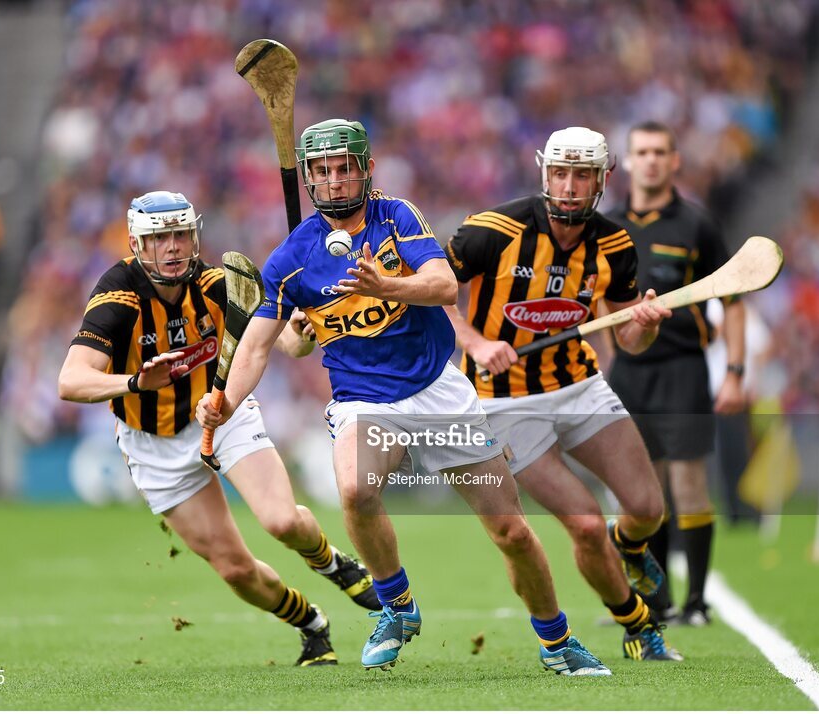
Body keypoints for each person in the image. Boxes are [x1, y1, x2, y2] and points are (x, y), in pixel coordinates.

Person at [196, 119, 611, 676]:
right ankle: (397, 605)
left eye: (345, 168)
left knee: (510, 529)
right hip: (365, 400)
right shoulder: (289, 261)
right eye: (322, 171)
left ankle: (557, 641)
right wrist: (222, 399)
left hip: (439, 390)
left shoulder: (398, 217)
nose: (335, 180)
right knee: (356, 487)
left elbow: (443, 286)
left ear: (367, 170)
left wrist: (385, 287)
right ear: (310, 180)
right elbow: (257, 350)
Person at [58, 190, 380, 667]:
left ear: (195, 236)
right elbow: (70, 380)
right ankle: (312, 623)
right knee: (234, 569)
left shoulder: (218, 285)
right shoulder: (117, 297)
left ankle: (332, 563)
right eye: (160, 238)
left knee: (282, 521)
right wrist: (133, 382)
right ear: (137, 244)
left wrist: (301, 329)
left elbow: (287, 344)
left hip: (222, 411)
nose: (172, 247)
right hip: (153, 444)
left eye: (181, 235)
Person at [443, 126, 682, 661]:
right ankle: (637, 625)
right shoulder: (491, 230)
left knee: (646, 509)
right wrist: (477, 343)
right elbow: (434, 291)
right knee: (586, 524)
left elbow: (628, 338)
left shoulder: (614, 243)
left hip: (579, 386)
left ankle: (631, 545)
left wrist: (644, 321)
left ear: (602, 179)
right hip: (503, 403)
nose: (570, 186)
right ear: (543, 172)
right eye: (560, 173)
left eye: (582, 175)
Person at [605, 121, 747, 625]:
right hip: (627, 372)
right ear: (627, 160)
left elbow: (732, 301)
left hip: (684, 368)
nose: (650, 160)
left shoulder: (697, 225)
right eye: (641, 151)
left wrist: (733, 372)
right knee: (644, 492)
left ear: (674, 160)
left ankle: (697, 602)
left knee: (688, 487)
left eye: (659, 151)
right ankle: (657, 601)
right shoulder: (608, 224)